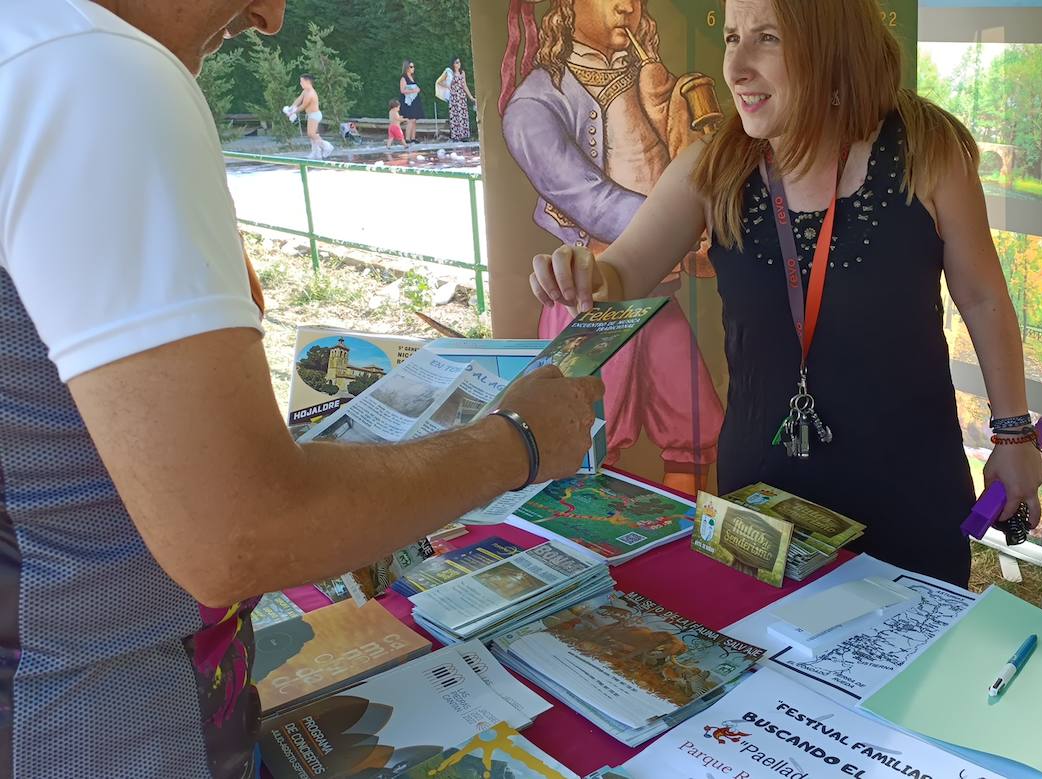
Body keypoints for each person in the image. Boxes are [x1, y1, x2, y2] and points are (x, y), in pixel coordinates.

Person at [0, 1, 603, 776]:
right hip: (101, 727)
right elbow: (239, 531)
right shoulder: (92, 71)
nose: (270, 15)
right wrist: (515, 442)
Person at [530, 0, 1042, 585]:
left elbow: (982, 299)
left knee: (909, 667)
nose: (736, 68)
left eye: (767, 39)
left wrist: (1013, 433)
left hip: (909, 493)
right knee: (765, 659)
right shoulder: (716, 164)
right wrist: (583, 275)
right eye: (731, 39)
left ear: (831, 43)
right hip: (760, 501)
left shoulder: (926, 151)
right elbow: (623, 272)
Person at [501, 0, 726, 493]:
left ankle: (679, 541)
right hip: (589, 296)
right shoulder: (534, 106)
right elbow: (588, 199)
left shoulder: (654, 79)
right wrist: (687, 228)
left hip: (660, 295)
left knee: (692, 420)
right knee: (585, 427)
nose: (627, 6)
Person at [289, 72, 333, 159]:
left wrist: (292, 112)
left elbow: (303, 106)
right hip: (311, 115)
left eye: (302, 82)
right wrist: (291, 107)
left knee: (311, 134)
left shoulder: (310, 93)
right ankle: (316, 153)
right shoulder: (305, 91)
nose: (300, 83)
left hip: (314, 115)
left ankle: (327, 147)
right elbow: (299, 99)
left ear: (307, 82)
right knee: (313, 135)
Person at [439, 55, 477, 142]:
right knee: (455, 116)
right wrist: (448, 86)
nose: (458, 64)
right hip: (454, 97)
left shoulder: (462, 73)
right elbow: (440, 82)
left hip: (462, 97)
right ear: (453, 64)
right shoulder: (449, 73)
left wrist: (471, 97)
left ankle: (464, 136)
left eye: (459, 62)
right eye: (456, 62)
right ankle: (456, 136)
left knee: (463, 116)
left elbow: (464, 85)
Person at [399, 59, 423, 143]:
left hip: (414, 100)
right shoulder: (403, 78)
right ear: (407, 68)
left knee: (414, 120)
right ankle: (407, 138)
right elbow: (402, 90)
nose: (413, 68)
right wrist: (414, 91)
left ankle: (413, 137)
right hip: (408, 101)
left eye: (413, 67)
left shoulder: (412, 77)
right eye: (411, 67)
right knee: (410, 120)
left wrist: (417, 90)